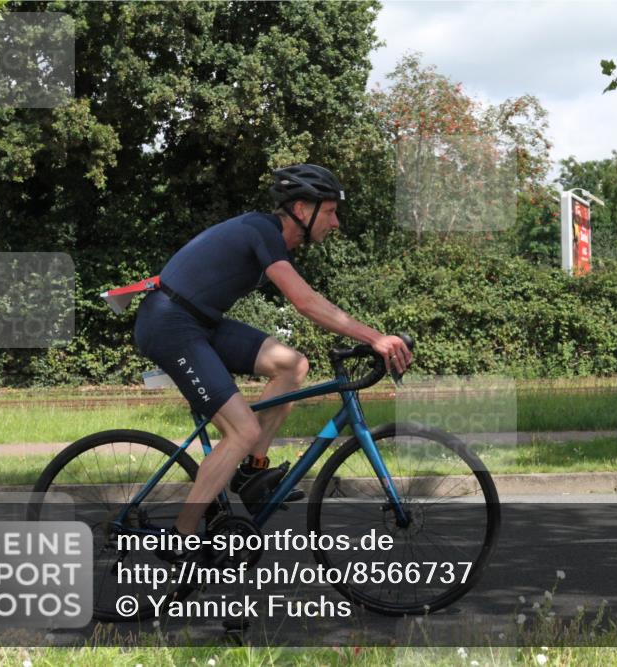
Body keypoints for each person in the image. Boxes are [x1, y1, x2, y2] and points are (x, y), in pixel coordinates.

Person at [133, 164, 413, 556]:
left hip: (200, 321)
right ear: (302, 209)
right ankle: (182, 537)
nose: (336, 222)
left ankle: (251, 470)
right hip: (169, 324)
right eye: (330, 212)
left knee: (293, 366)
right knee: (242, 429)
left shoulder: (270, 237)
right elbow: (305, 302)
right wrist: (375, 338)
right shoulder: (263, 231)